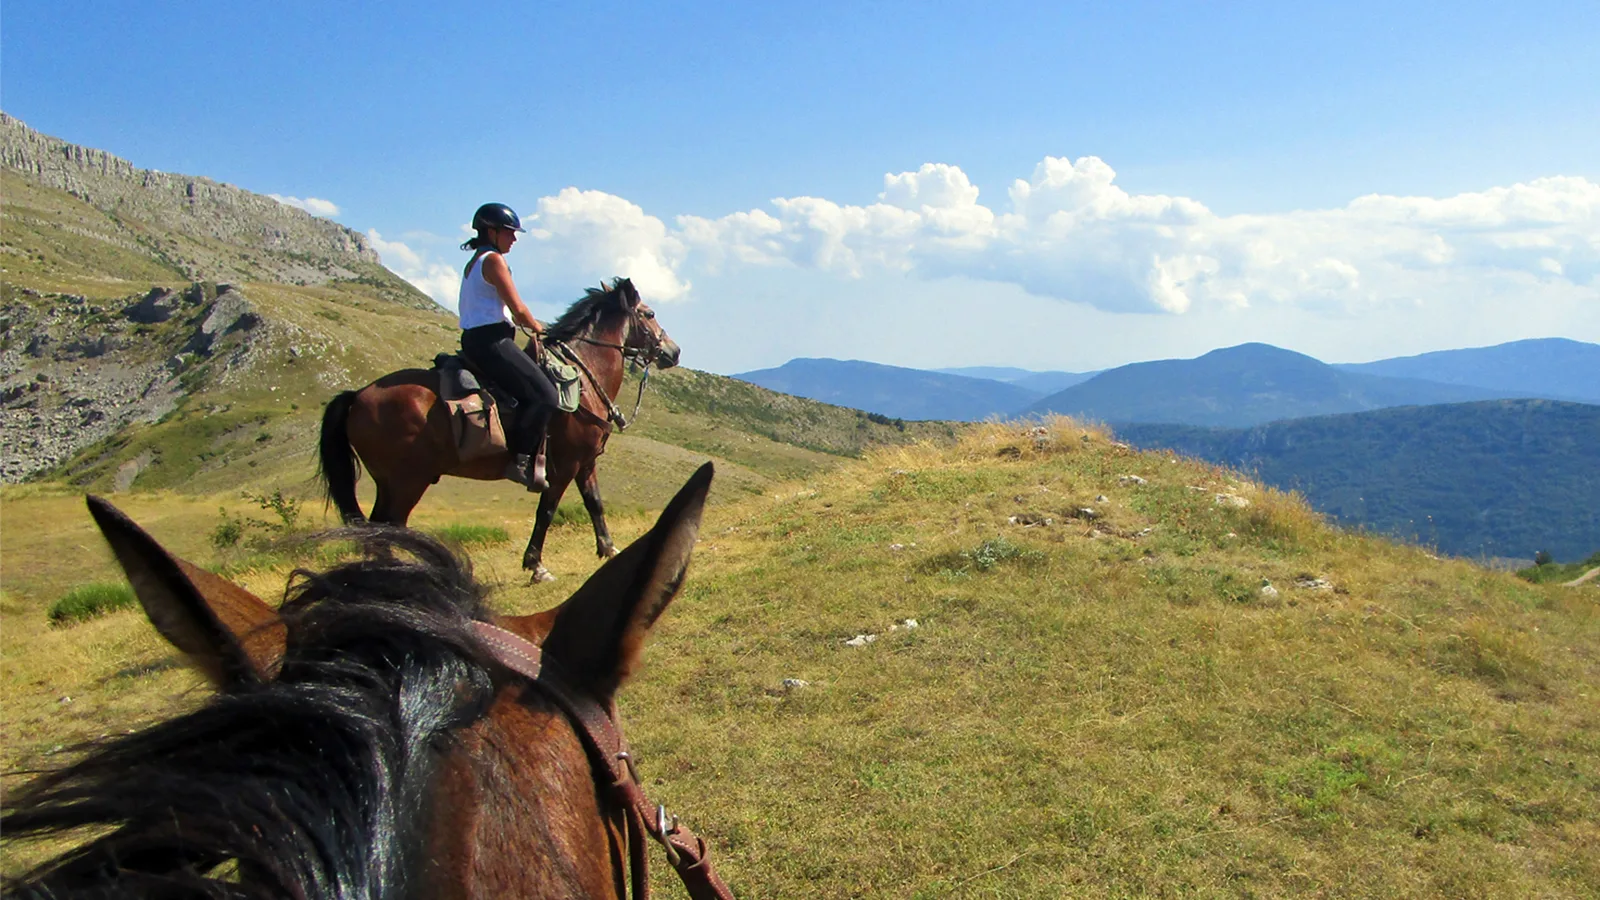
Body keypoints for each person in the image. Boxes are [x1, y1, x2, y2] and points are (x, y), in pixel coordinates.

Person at [457, 202, 559, 491]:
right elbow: (518, 309)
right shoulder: (493, 260)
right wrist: (541, 329)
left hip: (478, 340)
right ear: (492, 231)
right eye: (509, 232)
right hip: (492, 341)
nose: (514, 238)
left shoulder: (475, 261)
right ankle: (520, 461)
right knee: (546, 395)